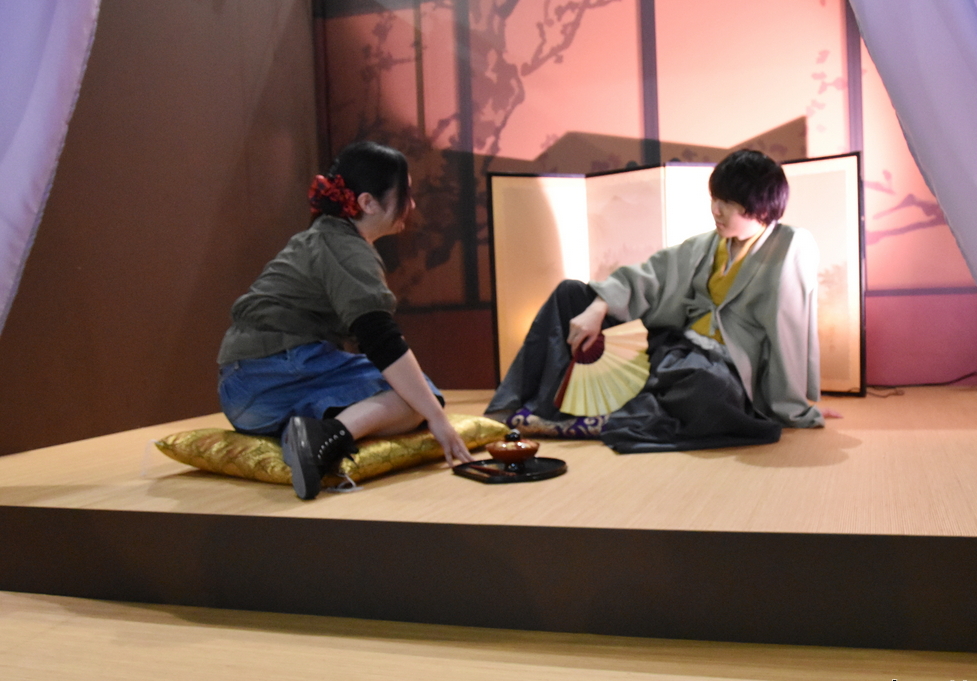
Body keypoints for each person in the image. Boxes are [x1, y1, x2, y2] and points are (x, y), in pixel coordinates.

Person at [487, 149, 826, 453]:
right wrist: (598, 307)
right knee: (570, 293)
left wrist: (793, 406)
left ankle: (602, 417)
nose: (716, 210)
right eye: (714, 199)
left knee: (708, 390)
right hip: (673, 346)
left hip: (722, 366)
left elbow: (789, 329)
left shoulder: (791, 246)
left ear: (760, 205)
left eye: (728, 202)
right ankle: (511, 406)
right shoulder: (705, 245)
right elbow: (650, 276)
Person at [217, 141, 473, 499]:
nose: (412, 205)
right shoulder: (346, 246)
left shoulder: (324, 235)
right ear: (367, 202)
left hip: (244, 394)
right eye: (405, 194)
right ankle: (322, 437)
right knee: (419, 396)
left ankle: (302, 433)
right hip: (278, 374)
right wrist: (437, 419)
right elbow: (380, 339)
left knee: (414, 394)